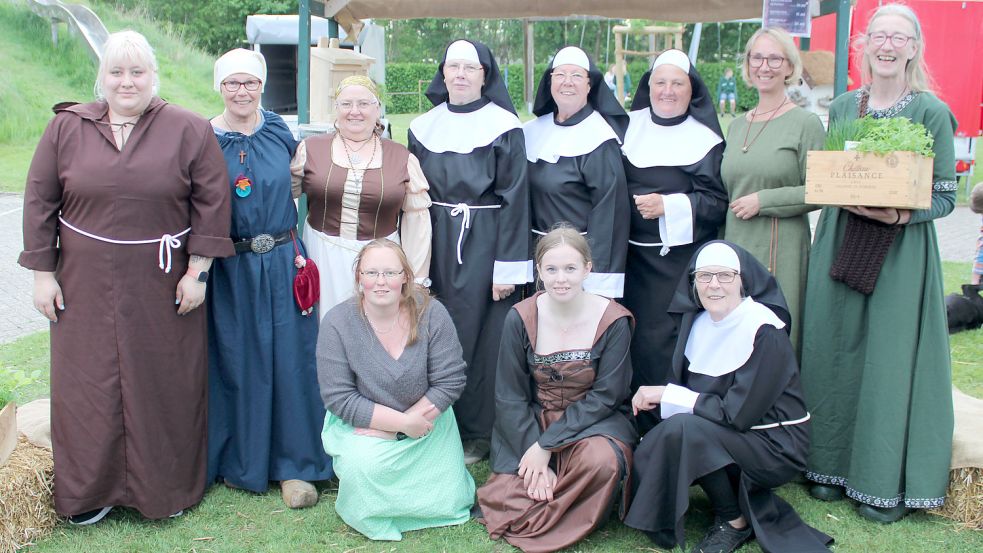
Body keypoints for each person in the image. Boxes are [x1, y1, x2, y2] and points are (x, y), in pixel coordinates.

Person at [19, 30, 234, 524]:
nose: (127, 81)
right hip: (82, 281)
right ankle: (91, 494)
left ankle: (164, 489)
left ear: (153, 76)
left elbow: (211, 202)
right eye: (116, 71)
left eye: (137, 71)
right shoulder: (66, 128)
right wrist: (42, 275)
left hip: (161, 281)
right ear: (102, 78)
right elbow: (40, 201)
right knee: (87, 384)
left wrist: (198, 272)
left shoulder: (186, 128)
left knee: (164, 382)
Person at [802, 3, 957, 523]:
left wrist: (897, 215)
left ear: (913, 48)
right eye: (879, 36)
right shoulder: (846, 106)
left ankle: (879, 481)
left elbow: (944, 197)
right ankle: (828, 466)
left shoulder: (932, 112)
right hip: (842, 236)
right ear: (864, 46)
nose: (887, 46)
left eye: (898, 37)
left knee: (888, 364)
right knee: (834, 351)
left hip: (900, 252)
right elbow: (831, 173)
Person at [625, 241, 833, 553]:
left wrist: (668, 395)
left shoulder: (764, 331)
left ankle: (733, 520)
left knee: (685, 427)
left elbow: (738, 415)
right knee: (671, 429)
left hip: (775, 446)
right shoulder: (697, 323)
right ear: (693, 283)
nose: (714, 286)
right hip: (733, 435)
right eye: (704, 277)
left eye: (725, 276)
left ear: (742, 279)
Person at [205, 48, 332, 508]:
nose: (242, 91)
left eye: (250, 82)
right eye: (232, 83)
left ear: (262, 85)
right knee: (236, 360)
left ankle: (294, 466)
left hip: (281, 260)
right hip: (230, 265)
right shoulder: (203, 138)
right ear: (219, 87)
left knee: (290, 360)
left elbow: (299, 184)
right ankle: (237, 458)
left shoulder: (280, 131)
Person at [476, 225, 636, 552]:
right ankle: (570, 500)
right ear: (539, 271)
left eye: (570, 269)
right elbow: (509, 395)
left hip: (594, 421)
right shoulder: (520, 317)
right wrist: (532, 449)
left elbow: (607, 396)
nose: (560, 278)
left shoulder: (614, 320)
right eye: (551, 269)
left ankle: (564, 500)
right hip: (533, 421)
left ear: (587, 269)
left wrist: (546, 446)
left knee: (602, 462)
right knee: (512, 491)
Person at [407, 39, 530, 463]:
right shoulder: (422, 127)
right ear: (443, 74)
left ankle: (478, 430)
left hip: (487, 241)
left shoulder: (505, 126)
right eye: (453, 66)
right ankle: (434, 421)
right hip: (435, 237)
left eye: (470, 68)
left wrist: (508, 268)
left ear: (485, 75)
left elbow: (516, 197)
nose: (460, 74)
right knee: (432, 328)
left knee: (484, 337)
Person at [317, 239, 475, 540]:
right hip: (366, 425)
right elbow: (338, 397)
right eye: (371, 273)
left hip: (429, 419)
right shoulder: (337, 322)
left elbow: (450, 380)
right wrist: (398, 426)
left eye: (390, 273)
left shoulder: (431, 313)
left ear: (405, 276)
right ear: (358, 277)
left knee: (449, 498)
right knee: (367, 468)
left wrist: (411, 425)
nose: (381, 282)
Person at [620, 49, 728, 433]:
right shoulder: (624, 127)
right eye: (659, 82)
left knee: (666, 344)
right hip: (629, 261)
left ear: (691, 90)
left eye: (677, 83)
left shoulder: (706, 139)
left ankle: (667, 425)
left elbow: (717, 202)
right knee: (626, 338)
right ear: (648, 87)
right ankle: (627, 422)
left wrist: (669, 206)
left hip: (678, 265)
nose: (667, 91)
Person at [721, 27, 826, 356]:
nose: (764, 66)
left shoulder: (806, 124)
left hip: (781, 247)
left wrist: (764, 201)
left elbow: (820, 190)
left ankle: (781, 406)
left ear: (789, 67)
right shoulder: (737, 125)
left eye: (774, 58)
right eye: (757, 57)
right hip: (736, 243)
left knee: (774, 332)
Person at [292, 75, 432, 319]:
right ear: (336, 109)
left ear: (377, 109)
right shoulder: (310, 149)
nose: (354, 111)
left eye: (363, 104)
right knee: (323, 327)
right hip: (323, 256)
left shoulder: (401, 157)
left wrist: (416, 277)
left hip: (382, 263)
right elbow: (285, 200)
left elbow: (417, 218)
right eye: (346, 104)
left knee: (376, 330)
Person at [523, 46, 629, 298]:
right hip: (536, 259)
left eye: (577, 76)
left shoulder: (599, 138)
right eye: (560, 75)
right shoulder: (531, 131)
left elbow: (610, 214)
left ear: (590, 85)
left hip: (577, 266)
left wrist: (599, 282)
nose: (567, 82)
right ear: (549, 82)